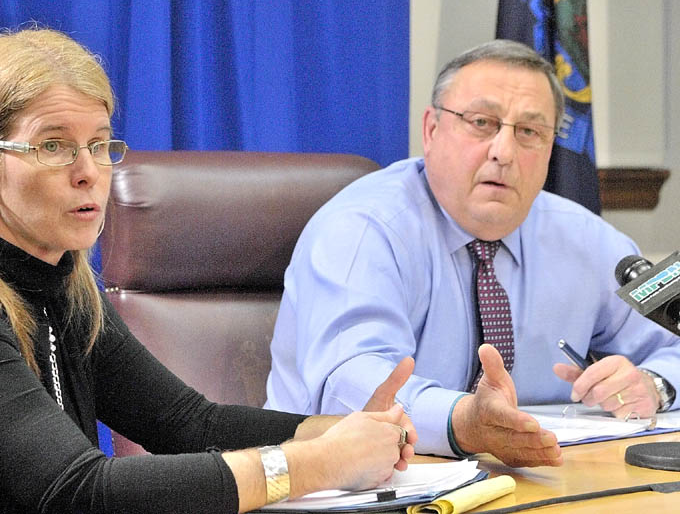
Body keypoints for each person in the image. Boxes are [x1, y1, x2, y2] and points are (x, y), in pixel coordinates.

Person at [0, 28, 419, 514]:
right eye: (54, 145)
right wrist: (318, 463)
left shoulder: (62, 288)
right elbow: (77, 491)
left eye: (99, 144)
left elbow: (189, 426)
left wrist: (347, 432)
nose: (89, 172)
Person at [265, 39, 680, 468]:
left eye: (530, 132)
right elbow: (352, 385)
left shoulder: (592, 241)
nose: (503, 152)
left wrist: (656, 384)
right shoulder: (361, 230)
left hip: (531, 479)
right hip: (342, 484)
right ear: (431, 130)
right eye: (482, 122)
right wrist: (464, 421)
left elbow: (676, 334)